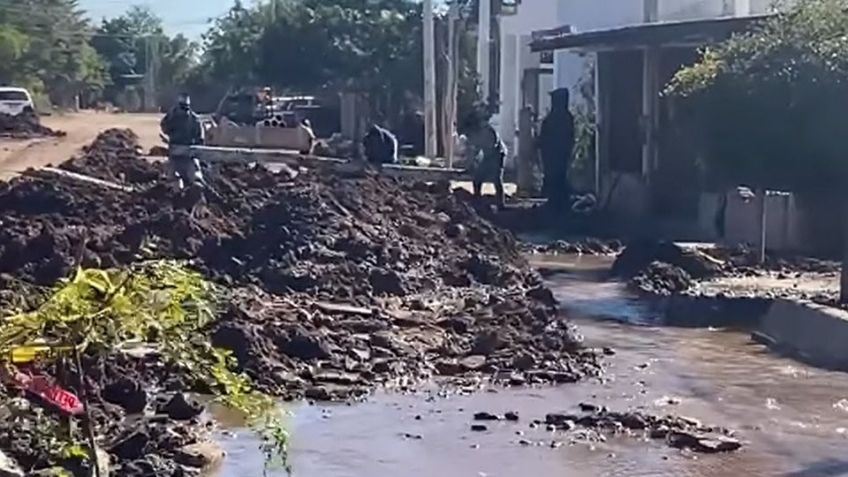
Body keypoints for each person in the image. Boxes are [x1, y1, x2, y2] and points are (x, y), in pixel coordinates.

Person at [538, 87, 575, 207]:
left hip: (555, 155)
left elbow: (544, 138)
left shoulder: (554, 118)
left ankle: (557, 201)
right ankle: (557, 201)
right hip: (559, 155)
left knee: (555, 176)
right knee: (557, 176)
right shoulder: (566, 118)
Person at [462, 113, 506, 209]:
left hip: (498, 153)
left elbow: (494, 144)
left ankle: (501, 204)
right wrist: (470, 166)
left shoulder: (488, 131)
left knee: (496, 179)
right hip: (487, 155)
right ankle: (477, 200)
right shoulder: (474, 135)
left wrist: (487, 163)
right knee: (477, 179)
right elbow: (474, 151)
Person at [160, 93, 204, 189]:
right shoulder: (172, 117)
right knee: (173, 178)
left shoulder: (194, 120)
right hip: (175, 152)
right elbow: (164, 127)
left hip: (189, 154)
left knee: (195, 177)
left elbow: (200, 139)